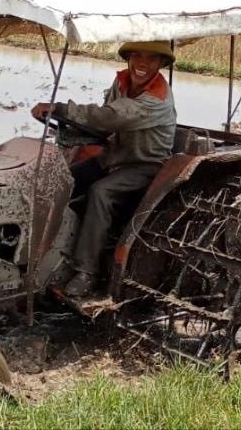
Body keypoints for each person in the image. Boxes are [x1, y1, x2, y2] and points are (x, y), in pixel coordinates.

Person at [31, 41, 177, 297]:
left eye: (151, 59)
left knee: (101, 192)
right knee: (61, 179)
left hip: (145, 165)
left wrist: (62, 108)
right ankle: (38, 247)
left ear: (160, 65)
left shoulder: (158, 98)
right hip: (113, 157)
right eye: (137, 56)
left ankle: (86, 271)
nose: (141, 64)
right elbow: (105, 126)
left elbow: (110, 117)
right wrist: (68, 125)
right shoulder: (122, 83)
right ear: (129, 58)